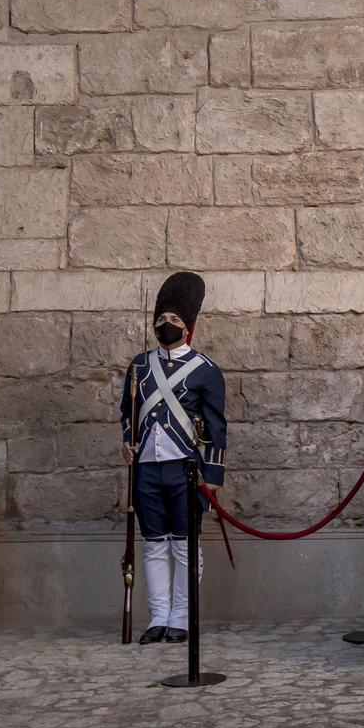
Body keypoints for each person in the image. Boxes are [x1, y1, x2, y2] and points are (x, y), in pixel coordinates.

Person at [119, 271, 227, 645]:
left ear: (189, 327)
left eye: (175, 320)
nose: (167, 325)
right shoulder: (138, 366)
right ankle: (158, 616)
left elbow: (215, 425)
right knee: (154, 544)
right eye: (162, 320)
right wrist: (127, 441)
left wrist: (211, 474)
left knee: (183, 544)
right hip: (147, 466)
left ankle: (181, 616)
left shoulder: (206, 370)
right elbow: (127, 414)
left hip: (187, 468)